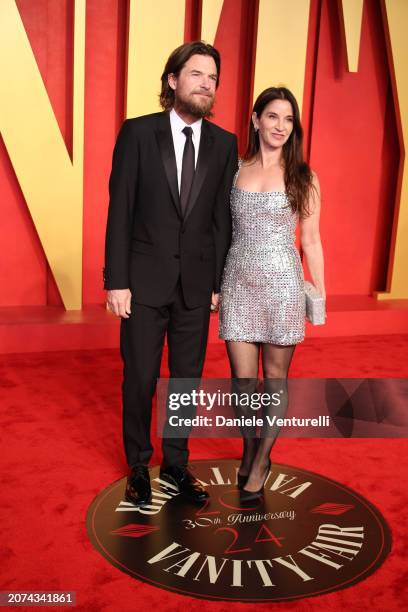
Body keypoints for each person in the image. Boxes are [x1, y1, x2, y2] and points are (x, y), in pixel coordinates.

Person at [104, 41, 238, 506]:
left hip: (196, 287)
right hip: (140, 284)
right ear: (173, 80)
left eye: (213, 77)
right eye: (197, 73)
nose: (206, 83)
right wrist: (115, 280)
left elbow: (222, 218)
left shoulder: (225, 144)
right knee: (140, 377)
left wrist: (220, 282)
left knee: (185, 380)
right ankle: (139, 464)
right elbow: (119, 209)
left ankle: (176, 464)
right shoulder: (138, 133)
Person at [219, 86, 325, 501]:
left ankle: (261, 461)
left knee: (274, 378)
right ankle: (249, 449)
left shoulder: (304, 175)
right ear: (255, 119)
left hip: (283, 285)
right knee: (242, 382)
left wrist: (320, 296)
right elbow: (220, 231)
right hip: (238, 283)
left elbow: (312, 241)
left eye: (288, 119)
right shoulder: (234, 169)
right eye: (273, 116)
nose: (280, 126)